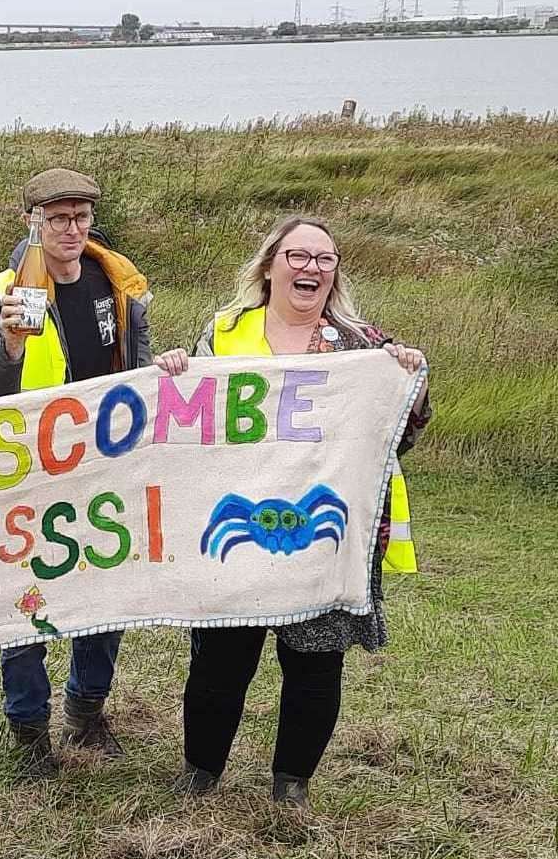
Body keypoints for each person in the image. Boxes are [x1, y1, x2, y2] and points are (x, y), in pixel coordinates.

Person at [157, 215, 430, 808]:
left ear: (335, 273)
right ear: (270, 265)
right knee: (221, 658)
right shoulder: (224, 333)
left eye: (325, 259)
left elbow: (401, 432)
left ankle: (292, 784)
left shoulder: (363, 345)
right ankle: (201, 770)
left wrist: (407, 378)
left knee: (314, 658)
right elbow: (187, 418)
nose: (311, 268)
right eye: (299, 256)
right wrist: (175, 371)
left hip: (321, 530)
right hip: (237, 526)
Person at [0, 167, 154, 777]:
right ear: (31, 222)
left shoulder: (120, 284)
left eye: (81, 217)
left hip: (105, 467)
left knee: (108, 593)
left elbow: (138, 375)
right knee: (28, 598)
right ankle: (28, 727)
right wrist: (12, 346)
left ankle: (87, 709)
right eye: (58, 218)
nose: (72, 229)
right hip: (27, 474)